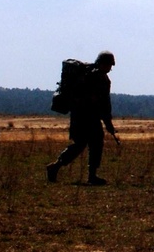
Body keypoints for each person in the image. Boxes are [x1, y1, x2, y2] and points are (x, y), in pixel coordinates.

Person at [46, 52, 119, 185]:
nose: (109, 68)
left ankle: (88, 174)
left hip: (82, 116)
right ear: (102, 63)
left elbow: (103, 104)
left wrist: (107, 122)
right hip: (85, 117)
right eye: (108, 64)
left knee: (90, 144)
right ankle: (57, 167)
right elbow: (104, 104)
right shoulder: (99, 79)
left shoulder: (92, 76)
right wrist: (108, 122)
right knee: (86, 144)